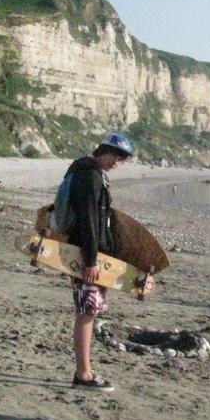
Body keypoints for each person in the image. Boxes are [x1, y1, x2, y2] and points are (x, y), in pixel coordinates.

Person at [66, 132, 134, 392]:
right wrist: (92, 260)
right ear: (104, 150)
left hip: (91, 254)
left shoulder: (93, 174)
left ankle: (85, 370)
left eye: (123, 159)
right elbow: (88, 220)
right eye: (116, 155)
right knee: (86, 312)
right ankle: (83, 375)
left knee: (89, 312)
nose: (118, 162)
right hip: (87, 256)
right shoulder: (89, 176)